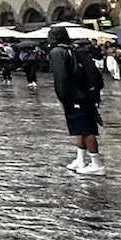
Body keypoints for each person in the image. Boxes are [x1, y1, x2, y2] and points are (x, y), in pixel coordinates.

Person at [49, 26, 104, 175]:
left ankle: (96, 163)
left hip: (75, 96)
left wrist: (62, 96)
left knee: (86, 129)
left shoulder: (57, 52)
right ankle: (81, 159)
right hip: (84, 94)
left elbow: (61, 77)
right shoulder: (73, 48)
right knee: (79, 128)